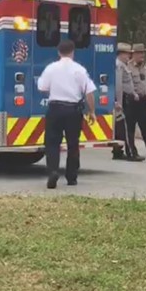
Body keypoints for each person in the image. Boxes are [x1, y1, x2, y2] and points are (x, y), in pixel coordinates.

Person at [37, 38, 98, 189]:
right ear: (72, 52)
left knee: (52, 143)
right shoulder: (79, 70)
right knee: (73, 144)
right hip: (73, 110)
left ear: (58, 52)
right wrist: (92, 111)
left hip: (55, 108)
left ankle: (52, 171)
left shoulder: (51, 68)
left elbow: (42, 88)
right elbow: (89, 93)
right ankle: (72, 177)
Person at [113, 42, 144, 161]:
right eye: (127, 54)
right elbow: (119, 85)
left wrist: (134, 93)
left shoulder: (123, 65)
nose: (129, 56)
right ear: (121, 54)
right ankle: (131, 152)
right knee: (126, 128)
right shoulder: (119, 66)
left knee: (120, 128)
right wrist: (118, 102)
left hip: (127, 97)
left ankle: (117, 151)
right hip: (124, 100)